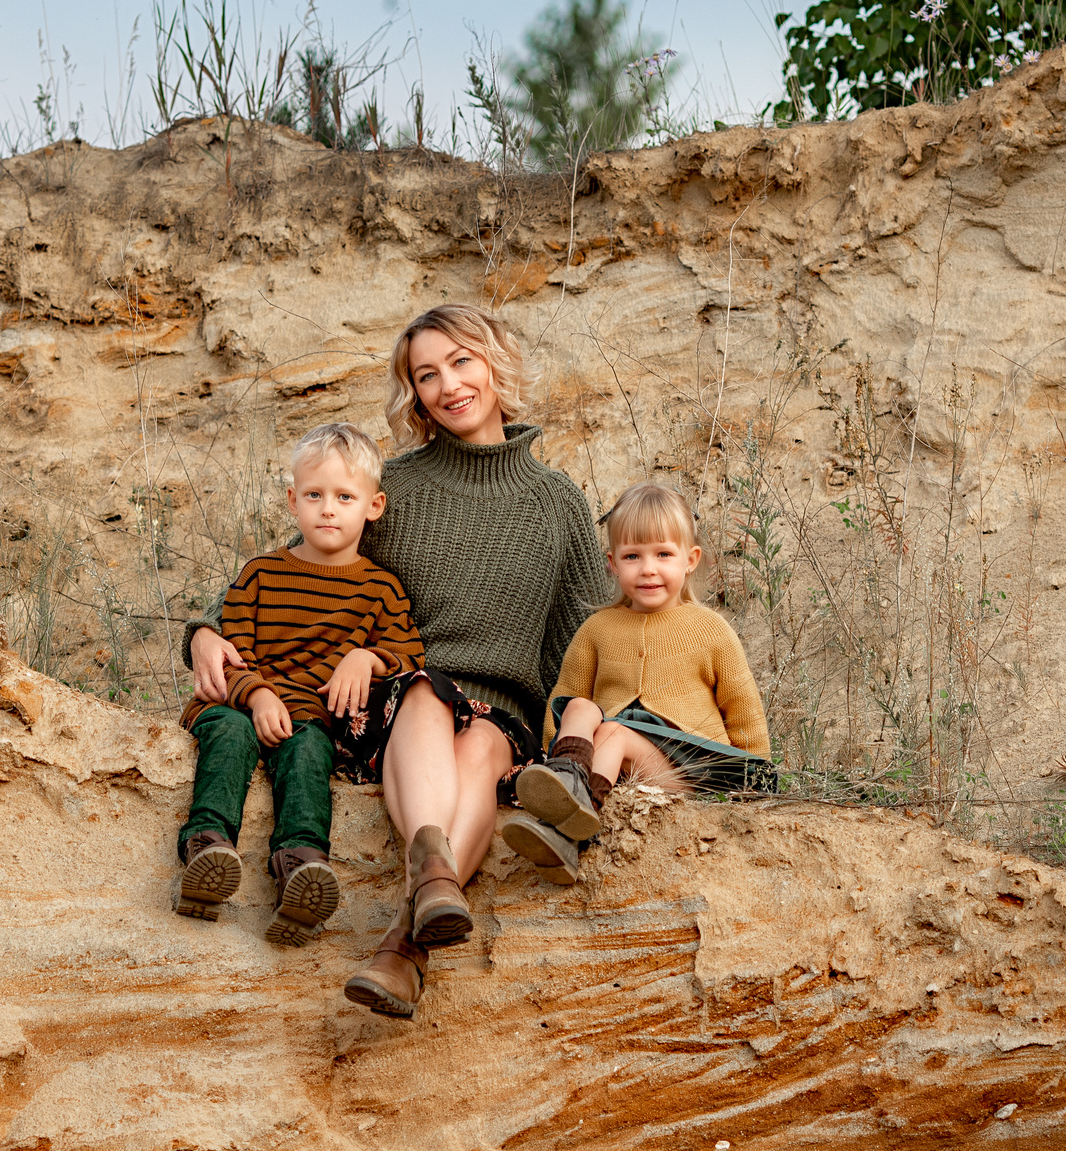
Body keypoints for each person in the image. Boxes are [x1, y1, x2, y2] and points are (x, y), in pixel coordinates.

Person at [187, 305, 614, 1018]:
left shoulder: (558, 504)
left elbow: (589, 646)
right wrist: (203, 632)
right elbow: (300, 565)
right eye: (426, 374)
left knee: (482, 744)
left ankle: (407, 940)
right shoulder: (399, 489)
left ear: (494, 362)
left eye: (461, 362)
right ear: (413, 393)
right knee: (426, 693)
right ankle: (430, 871)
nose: (448, 384)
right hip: (396, 700)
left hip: (502, 715)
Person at [175, 423, 423, 946]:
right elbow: (231, 656)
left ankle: (300, 867)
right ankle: (207, 848)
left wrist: (366, 657)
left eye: (344, 497)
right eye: (314, 495)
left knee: (310, 751)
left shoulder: (381, 588)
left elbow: (409, 659)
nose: (327, 509)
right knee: (229, 736)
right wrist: (259, 695)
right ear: (293, 500)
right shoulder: (261, 574)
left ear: (373, 506)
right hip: (237, 704)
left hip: (309, 716)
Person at [501, 481, 772, 884]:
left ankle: (568, 820)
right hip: (615, 767)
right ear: (612, 563)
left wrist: (756, 778)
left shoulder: (710, 630)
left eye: (663, 554)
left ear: (690, 559)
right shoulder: (597, 629)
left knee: (612, 732)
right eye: (633, 556)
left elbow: (743, 708)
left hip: (691, 772)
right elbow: (562, 697)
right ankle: (565, 787)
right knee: (577, 706)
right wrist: (549, 749)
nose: (648, 568)